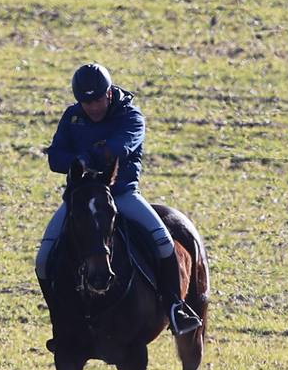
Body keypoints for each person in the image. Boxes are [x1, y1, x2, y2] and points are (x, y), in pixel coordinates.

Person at [36, 63, 202, 336]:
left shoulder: (130, 116)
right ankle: (60, 321)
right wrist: (78, 159)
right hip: (82, 200)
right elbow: (55, 157)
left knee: (163, 242)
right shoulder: (72, 117)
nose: (93, 107)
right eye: (86, 102)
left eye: (98, 100)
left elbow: (118, 148)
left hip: (122, 194)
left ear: (109, 93)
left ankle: (175, 307)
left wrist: (86, 157)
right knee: (43, 259)